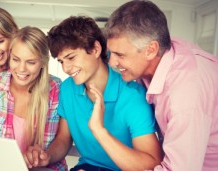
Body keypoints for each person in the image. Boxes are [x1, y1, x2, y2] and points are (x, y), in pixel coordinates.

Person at [23, 16, 162, 171]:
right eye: (61, 61)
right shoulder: (68, 89)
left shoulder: (132, 95)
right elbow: (63, 139)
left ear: (96, 49)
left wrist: (99, 130)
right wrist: (46, 156)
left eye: (71, 57)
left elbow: (151, 163)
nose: (66, 68)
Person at [103, 0, 218, 171]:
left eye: (120, 54)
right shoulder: (164, 50)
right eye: (111, 53)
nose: (112, 62)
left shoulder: (185, 96)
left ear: (150, 50)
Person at [0, 26, 67, 171]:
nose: (21, 69)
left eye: (31, 62)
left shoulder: (56, 89)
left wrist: (45, 157)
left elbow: (63, 139)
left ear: (43, 63)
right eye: (16, 59)